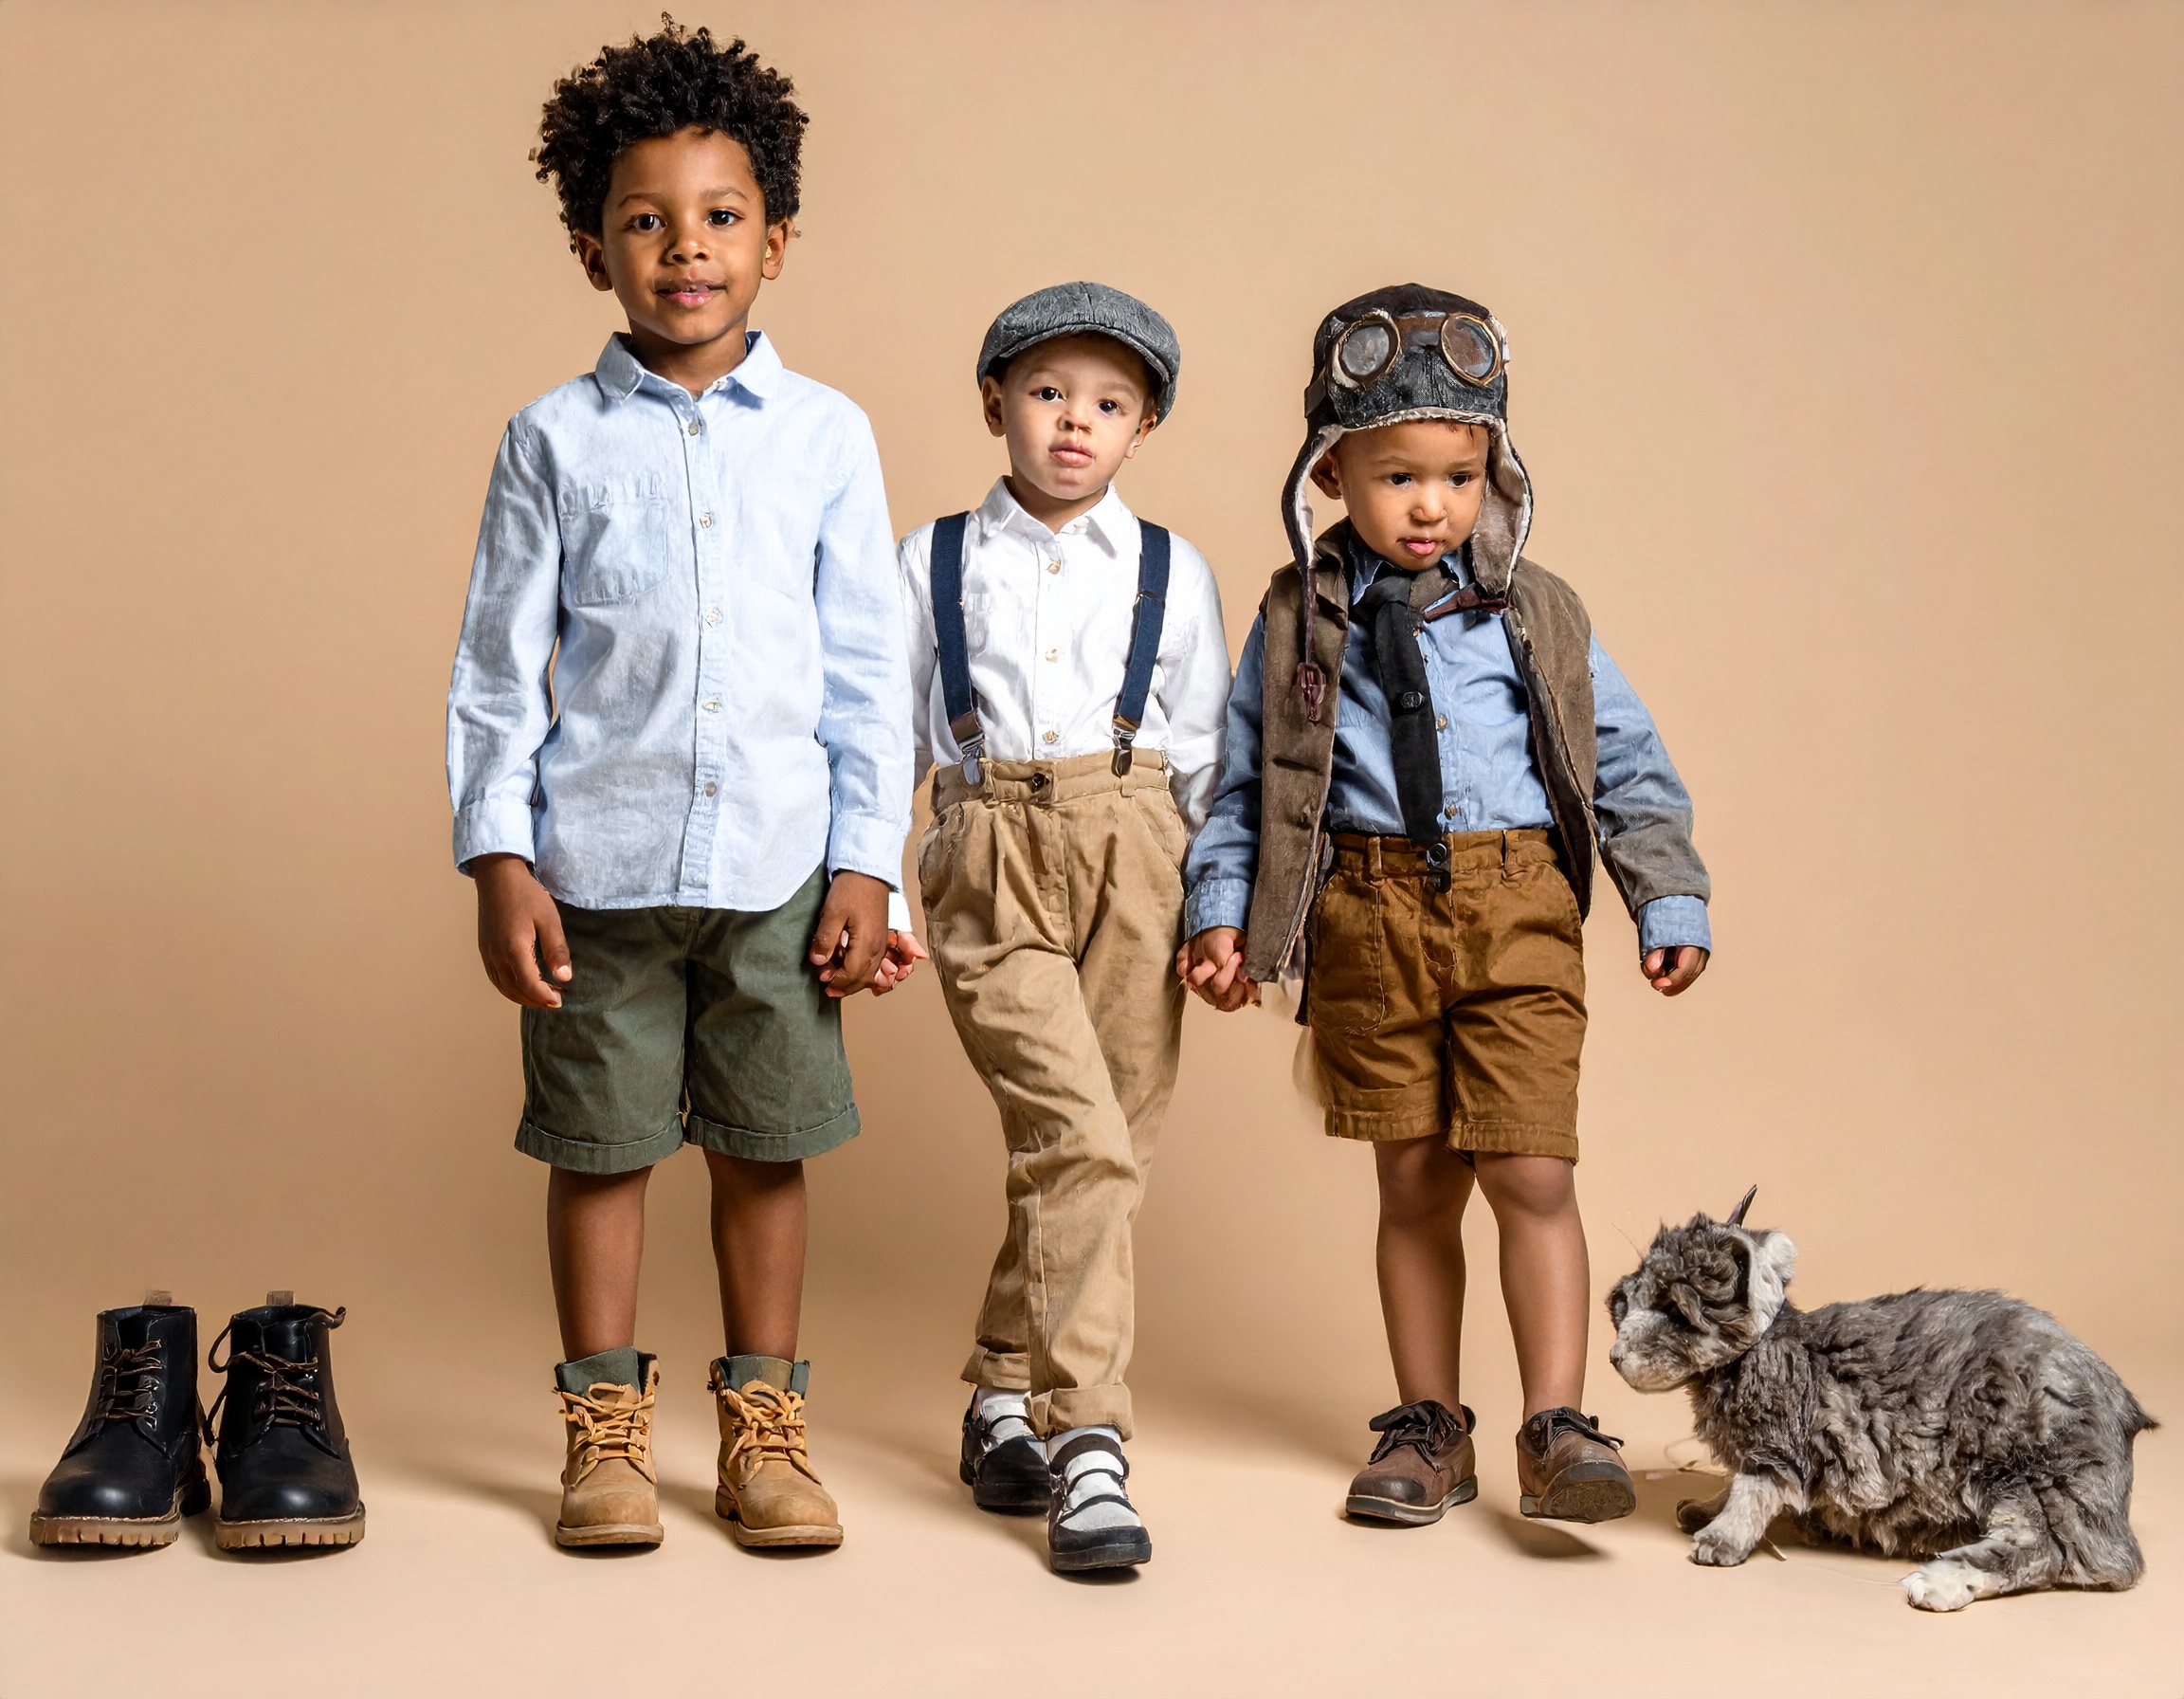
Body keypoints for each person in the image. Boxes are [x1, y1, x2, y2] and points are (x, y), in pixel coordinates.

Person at [445, 19, 915, 1552]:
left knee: (765, 1146)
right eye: (645, 221)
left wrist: (868, 863)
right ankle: (605, 1436)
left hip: (780, 867)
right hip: (599, 868)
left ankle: (765, 1431)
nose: (686, 248)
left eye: (720, 216)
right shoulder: (551, 440)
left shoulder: (828, 438)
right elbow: (499, 669)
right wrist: (500, 857)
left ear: (776, 241)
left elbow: (869, 668)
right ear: (596, 250)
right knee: (601, 1149)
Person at [1182, 284, 1711, 1527]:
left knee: (1530, 1168)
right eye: (1398, 477)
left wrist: (1668, 896)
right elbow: (1249, 780)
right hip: (1366, 918)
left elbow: (1623, 757)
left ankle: (1556, 1424)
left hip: (1515, 905)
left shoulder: (1538, 609)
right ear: (1330, 475)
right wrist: (1223, 913)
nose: (1432, 505)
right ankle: (1430, 1425)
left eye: (1460, 477)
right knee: (1415, 1182)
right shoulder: (1296, 617)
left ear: (1497, 474)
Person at [897, 283, 1230, 1571]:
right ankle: (1089, 1442)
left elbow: (1206, 757)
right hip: (987, 848)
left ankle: (998, 1393)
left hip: (1140, 848)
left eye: (1108, 403)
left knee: (1097, 1156)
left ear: (1144, 427)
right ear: (996, 407)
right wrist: (872, 886)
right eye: (1047, 394)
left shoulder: (1172, 571)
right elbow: (876, 733)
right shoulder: (927, 560)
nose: (1075, 422)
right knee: (1078, 1140)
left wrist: (1220, 912)